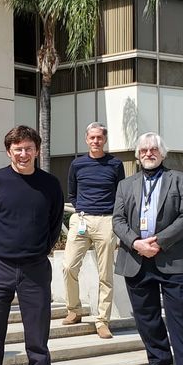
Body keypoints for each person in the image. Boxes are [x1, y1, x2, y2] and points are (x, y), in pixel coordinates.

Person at [111, 132, 183, 365]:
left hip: (172, 259)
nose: (148, 154)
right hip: (136, 258)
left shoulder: (180, 180)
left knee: (182, 316)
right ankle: (159, 362)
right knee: (146, 316)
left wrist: (158, 242)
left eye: (153, 149)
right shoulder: (125, 185)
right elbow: (117, 220)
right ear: (138, 155)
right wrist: (136, 243)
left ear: (163, 153)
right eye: (143, 151)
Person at [0, 125, 63, 365]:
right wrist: (1, 247)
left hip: (35, 269)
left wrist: (37, 249)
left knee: (38, 344)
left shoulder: (50, 184)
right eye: (17, 149)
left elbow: (55, 223)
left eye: (28, 149)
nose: (23, 154)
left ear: (37, 151)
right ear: (8, 151)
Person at [61, 122, 125, 339]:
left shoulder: (115, 164)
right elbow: (72, 192)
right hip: (81, 219)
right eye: (92, 137)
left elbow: (121, 194)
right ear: (86, 139)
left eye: (99, 137)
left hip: (106, 221)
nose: (96, 141)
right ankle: (74, 310)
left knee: (105, 274)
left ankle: (102, 320)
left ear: (104, 140)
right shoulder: (77, 164)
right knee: (69, 266)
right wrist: (81, 210)